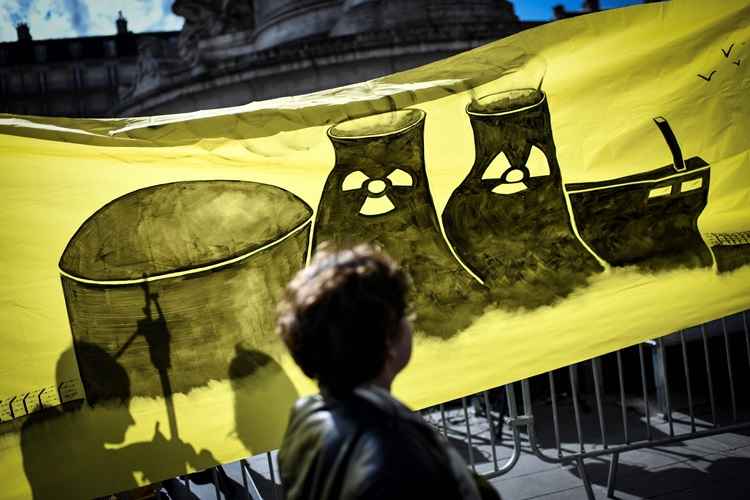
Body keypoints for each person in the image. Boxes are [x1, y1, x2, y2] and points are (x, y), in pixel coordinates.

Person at [276, 244, 501, 499]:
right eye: (404, 312)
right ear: (386, 337)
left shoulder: (307, 415)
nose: (410, 322)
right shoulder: (395, 452)